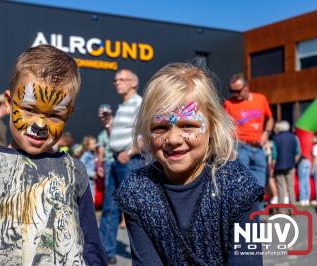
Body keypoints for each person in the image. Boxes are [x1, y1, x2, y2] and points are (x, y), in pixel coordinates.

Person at [0, 44, 107, 266]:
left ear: (69, 113)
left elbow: (91, 246)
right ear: (10, 103)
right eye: (30, 109)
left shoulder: (76, 172)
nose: (40, 124)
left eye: (55, 115)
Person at [115, 63, 263, 265]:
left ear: (213, 126)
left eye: (188, 125)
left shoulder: (238, 186)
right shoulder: (137, 191)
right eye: (160, 127)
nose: (174, 139)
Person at [99, 69, 143, 264]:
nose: (116, 82)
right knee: (109, 209)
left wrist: (130, 152)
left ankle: (142, 256)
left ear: (133, 83)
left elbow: (147, 135)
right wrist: (109, 124)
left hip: (130, 161)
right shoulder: (123, 106)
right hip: (117, 161)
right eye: (115, 80)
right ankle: (105, 252)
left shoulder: (139, 104)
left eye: (121, 79)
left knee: (133, 211)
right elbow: (114, 138)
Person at [225, 73, 274, 208]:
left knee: (260, 183)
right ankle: (245, 214)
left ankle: (258, 213)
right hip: (240, 146)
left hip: (258, 148)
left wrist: (266, 133)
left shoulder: (260, 99)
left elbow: (270, 118)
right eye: (232, 91)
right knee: (243, 181)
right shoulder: (229, 104)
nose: (235, 94)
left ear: (246, 87)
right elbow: (224, 125)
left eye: (238, 90)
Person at [271, 121, 301, 206]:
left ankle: (281, 209)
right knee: (291, 187)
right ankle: (293, 208)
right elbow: (298, 152)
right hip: (291, 166)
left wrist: (273, 166)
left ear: (280, 128)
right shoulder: (294, 137)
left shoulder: (276, 138)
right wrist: (294, 162)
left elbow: (274, 154)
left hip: (279, 166)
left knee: (281, 188)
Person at [80, 135, 97, 199]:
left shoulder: (93, 154)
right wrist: (91, 174)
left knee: (93, 196)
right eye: (93, 144)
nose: (95, 145)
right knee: (90, 197)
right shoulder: (86, 155)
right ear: (87, 146)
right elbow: (82, 167)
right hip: (87, 181)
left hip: (92, 181)